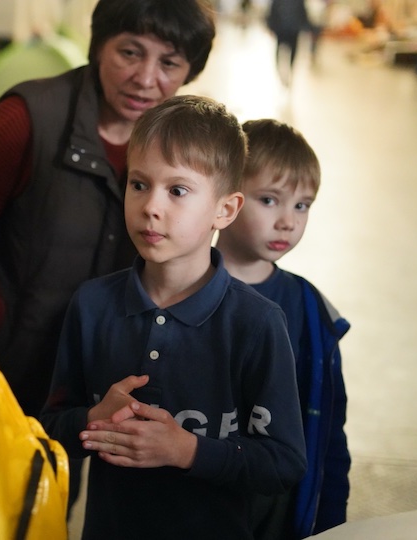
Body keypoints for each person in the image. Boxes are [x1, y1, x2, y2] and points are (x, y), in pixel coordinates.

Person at [40, 95, 308, 539]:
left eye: (177, 190)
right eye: (139, 184)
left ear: (225, 209)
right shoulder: (92, 305)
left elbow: (283, 463)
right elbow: (49, 429)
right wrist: (92, 419)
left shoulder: (257, 323)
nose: (151, 206)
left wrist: (187, 450)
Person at [0, 0, 216, 420]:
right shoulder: (27, 119)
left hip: (96, 387)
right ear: (100, 45)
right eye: (130, 52)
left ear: (189, 71)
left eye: (169, 63)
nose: (145, 79)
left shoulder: (181, 150)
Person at [215, 119, 350, 538]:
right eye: (270, 200)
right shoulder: (179, 292)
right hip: (194, 492)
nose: (288, 221)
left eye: (302, 205)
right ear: (226, 199)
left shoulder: (311, 310)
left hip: (274, 504)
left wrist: (329, 519)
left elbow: (329, 427)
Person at [266, 0, 310, 85]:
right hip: (286, 29)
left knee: (288, 50)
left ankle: (287, 70)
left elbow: (302, 12)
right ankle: (283, 70)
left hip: (288, 29)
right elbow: (273, 11)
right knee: (286, 50)